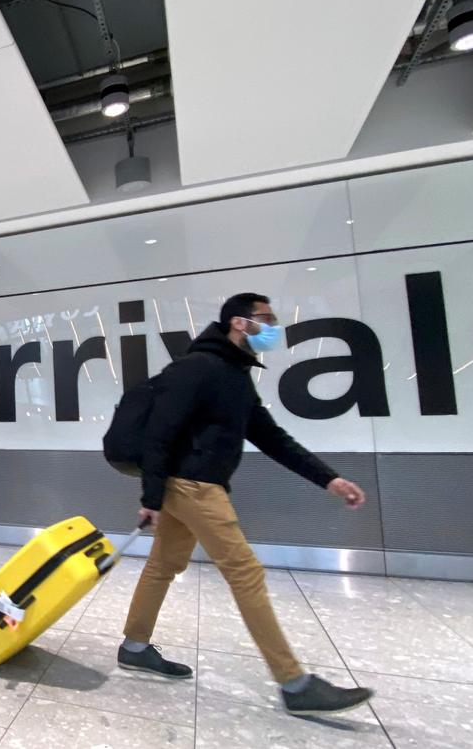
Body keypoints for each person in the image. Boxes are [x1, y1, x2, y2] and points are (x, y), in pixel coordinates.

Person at [117, 293, 375, 717]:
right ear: (239, 322)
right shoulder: (198, 368)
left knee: (163, 565)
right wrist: (151, 496)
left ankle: (134, 646)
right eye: (266, 318)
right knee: (246, 572)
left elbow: (272, 437)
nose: (272, 326)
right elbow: (159, 433)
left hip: (191, 485)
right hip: (195, 486)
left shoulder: (234, 375)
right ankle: (295, 684)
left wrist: (328, 478)